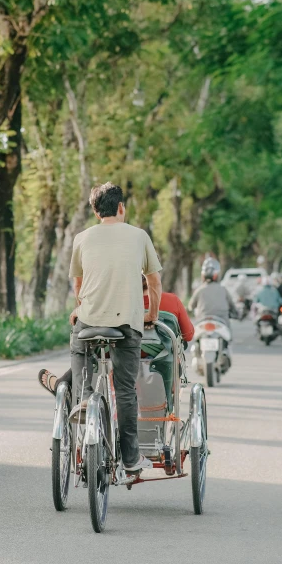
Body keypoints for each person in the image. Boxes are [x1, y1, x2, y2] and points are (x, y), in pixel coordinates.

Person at [68, 182, 162, 473]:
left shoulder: (81, 238)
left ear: (96, 212)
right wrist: (151, 315)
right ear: (121, 208)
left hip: (89, 321)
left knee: (79, 348)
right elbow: (154, 283)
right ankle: (131, 457)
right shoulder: (139, 236)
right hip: (127, 323)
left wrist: (81, 307)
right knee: (124, 389)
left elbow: (79, 284)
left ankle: (82, 397)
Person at [39, 276, 193, 398]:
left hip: (114, 354)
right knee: (175, 349)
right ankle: (171, 394)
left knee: (90, 351)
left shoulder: (113, 301)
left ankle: (65, 384)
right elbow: (189, 335)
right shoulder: (172, 301)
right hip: (159, 360)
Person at [142, 275, 194, 343]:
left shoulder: (125, 305)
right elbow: (188, 336)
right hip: (167, 352)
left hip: (130, 353)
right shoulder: (172, 300)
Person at [188, 256, 237, 324]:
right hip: (222, 321)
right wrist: (236, 313)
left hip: (202, 321)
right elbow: (232, 305)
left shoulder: (200, 290)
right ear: (216, 276)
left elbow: (190, 306)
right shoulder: (223, 289)